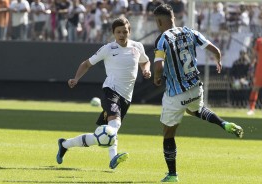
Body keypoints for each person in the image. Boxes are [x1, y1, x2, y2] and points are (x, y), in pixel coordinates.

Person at [152, 4, 244, 182]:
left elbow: (158, 65)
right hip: (195, 87)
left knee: (168, 133)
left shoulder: (162, 39)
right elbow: (215, 50)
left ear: (159, 21)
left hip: (176, 93)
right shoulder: (190, 32)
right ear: (173, 18)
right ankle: (223, 124)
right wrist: (218, 61)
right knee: (196, 109)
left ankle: (172, 175)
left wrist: (157, 77)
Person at [56, 16, 151, 169]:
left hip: (126, 97)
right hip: (111, 91)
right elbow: (86, 64)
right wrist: (76, 78)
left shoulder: (137, 47)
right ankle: (113, 158)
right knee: (113, 127)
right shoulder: (108, 49)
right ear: (114, 33)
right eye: (118, 32)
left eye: (124, 31)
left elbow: (145, 61)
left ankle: (65, 144)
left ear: (129, 32)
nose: (122, 35)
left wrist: (146, 70)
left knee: (102, 135)